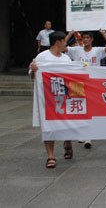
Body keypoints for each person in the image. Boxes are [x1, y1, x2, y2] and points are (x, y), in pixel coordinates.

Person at [65, 29, 106, 149]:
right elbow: (62, 47)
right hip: (77, 82)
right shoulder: (76, 50)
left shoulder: (97, 50)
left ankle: (88, 135)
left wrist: (103, 33)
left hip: (92, 82)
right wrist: (71, 33)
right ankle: (82, 133)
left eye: (88, 38)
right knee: (80, 107)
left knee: (91, 108)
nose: (85, 40)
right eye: (83, 38)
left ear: (91, 39)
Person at [29, 31, 72, 168]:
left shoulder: (66, 59)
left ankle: (67, 141)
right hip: (47, 98)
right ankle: (51, 156)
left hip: (62, 96)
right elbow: (32, 75)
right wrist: (34, 70)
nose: (66, 44)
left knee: (67, 123)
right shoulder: (42, 57)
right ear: (57, 42)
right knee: (48, 127)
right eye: (64, 41)